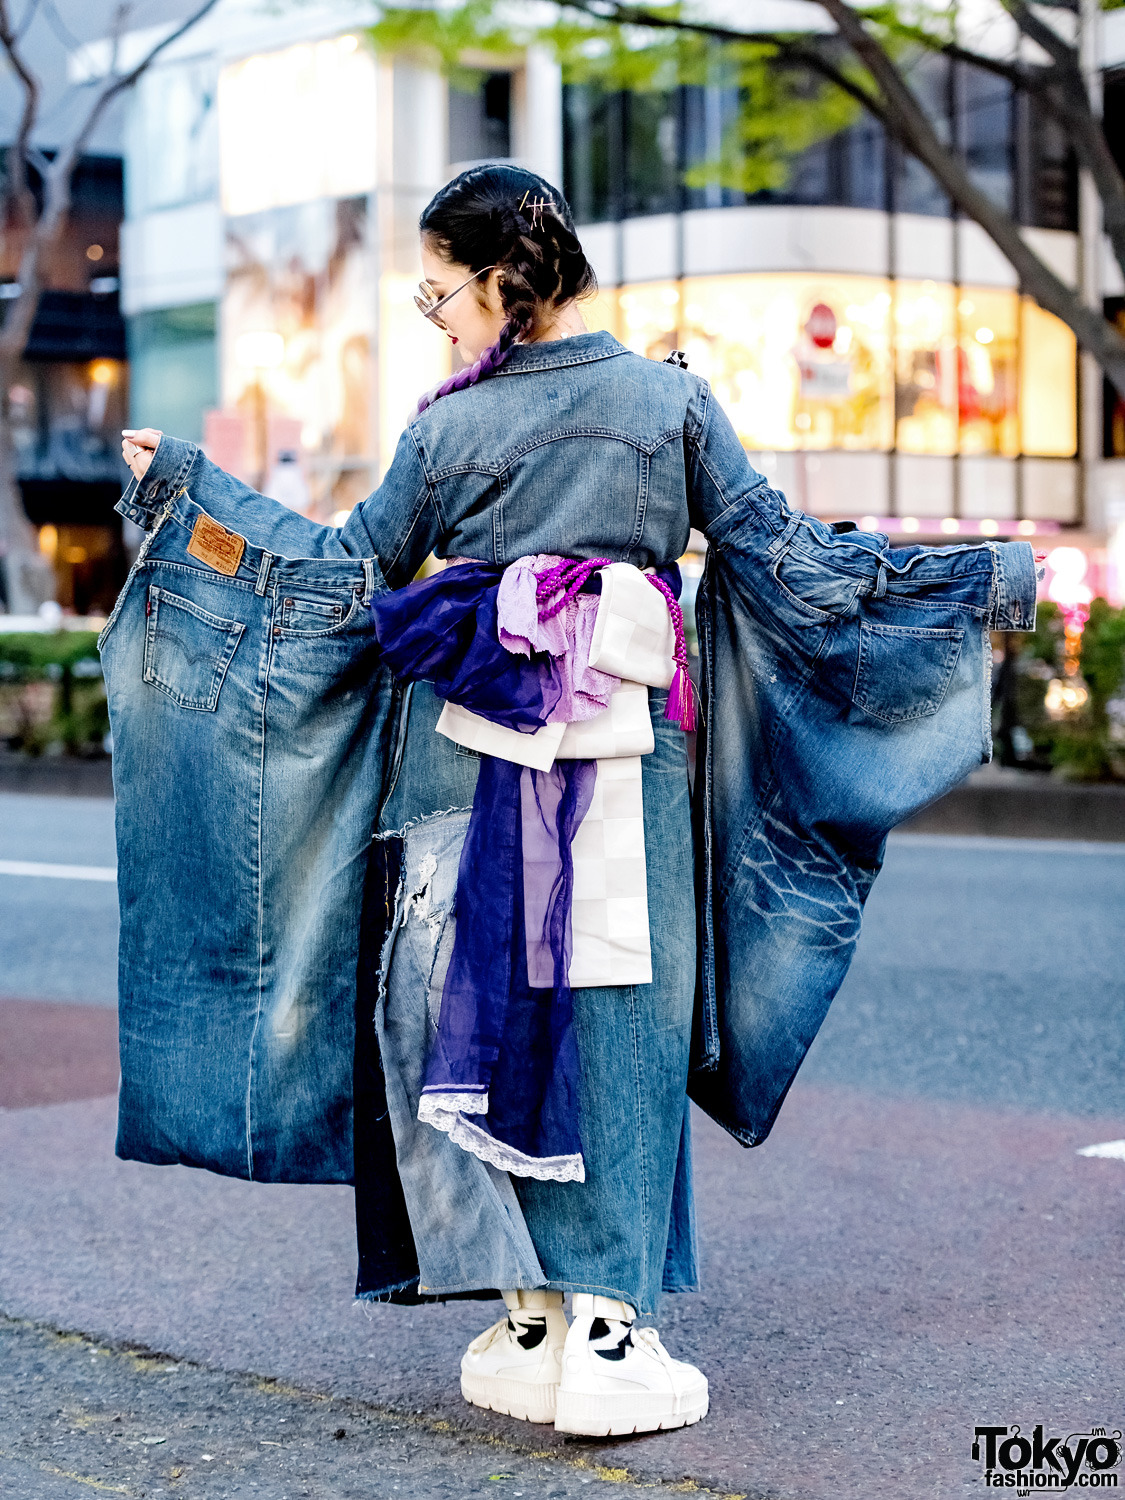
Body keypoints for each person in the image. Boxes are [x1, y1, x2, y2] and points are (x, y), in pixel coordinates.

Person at [118, 163, 1037, 1442]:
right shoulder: (670, 405)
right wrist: (979, 585)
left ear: (502, 282)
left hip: (459, 755)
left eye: (442, 294)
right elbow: (792, 567)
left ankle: (531, 1314)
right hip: (615, 753)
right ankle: (608, 1325)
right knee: (617, 1013)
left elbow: (333, 582)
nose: (436, 320)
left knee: (465, 1021)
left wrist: (192, 504)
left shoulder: (444, 431)